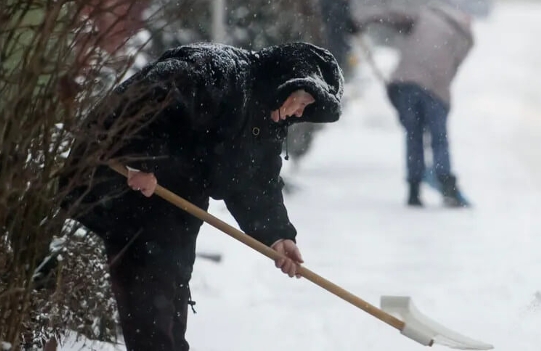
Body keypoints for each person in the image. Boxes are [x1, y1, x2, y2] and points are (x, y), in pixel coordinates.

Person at [63, 41, 344, 351]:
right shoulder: (218, 71)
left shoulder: (267, 120)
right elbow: (148, 99)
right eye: (300, 101)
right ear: (285, 82)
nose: (300, 112)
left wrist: (278, 235)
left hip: (177, 197)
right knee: (151, 306)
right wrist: (140, 160)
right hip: (127, 186)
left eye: (306, 107)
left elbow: (257, 182)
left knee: (170, 297)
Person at [356, 2, 474, 208]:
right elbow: (451, 69)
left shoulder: (426, 16)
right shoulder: (465, 38)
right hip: (435, 90)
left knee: (413, 136)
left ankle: (414, 190)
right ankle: (446, 184)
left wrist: (363, 20)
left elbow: (393, 16)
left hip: (406, 84)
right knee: (439, 139)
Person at [318, 0, 360, 73]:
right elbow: (335, 20)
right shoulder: (332, 3)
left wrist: (352, 27)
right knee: (336, 59)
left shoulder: (344, 4)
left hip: (341, 40)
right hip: (333, 38)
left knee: (346, 58)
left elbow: (347, 20)